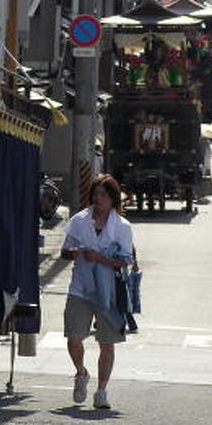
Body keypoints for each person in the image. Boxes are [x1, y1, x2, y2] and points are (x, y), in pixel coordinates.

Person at [60, 174, 133, 410]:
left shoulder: (121, 227)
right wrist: (71, 252)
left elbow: (125, 261)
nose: (98, 199)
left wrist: (99, 258)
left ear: (113, 199)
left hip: (108, 291)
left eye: (103, 195)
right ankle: (81, 372)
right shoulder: (79, 220)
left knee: (106, 343)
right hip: (80, 286)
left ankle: (101, 391)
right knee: (73, 336)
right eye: (95, 194)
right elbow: (65, 250)